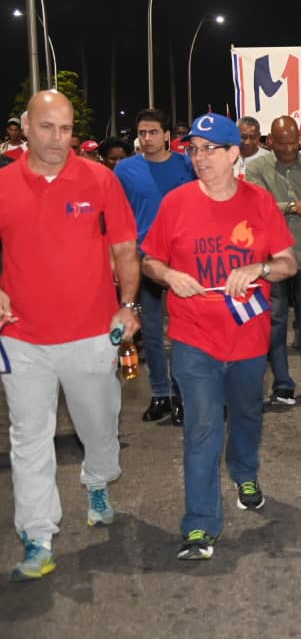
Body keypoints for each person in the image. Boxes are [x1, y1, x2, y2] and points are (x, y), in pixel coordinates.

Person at [142, 113, 297, 561]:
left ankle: (245, 470)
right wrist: (169, 275)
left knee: (246, 416)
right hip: (194, 338)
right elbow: (149, 259)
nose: (200, 157)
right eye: (194, 149)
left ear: (235, 154)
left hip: (249, 338)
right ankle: (199, 526)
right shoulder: (176, 203)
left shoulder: (260, 202)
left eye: (210, 149)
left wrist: (260, 267)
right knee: (202, 427)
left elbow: (287, 261)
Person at [0, 90, 140, 581]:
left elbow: (125, 247)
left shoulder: (100, 179)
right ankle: (38, 536)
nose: (57, 139)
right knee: (28, 437)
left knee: (99, 425)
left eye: (65, 129)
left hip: (91, 333)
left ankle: (97, 480)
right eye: (46, 128)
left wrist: (127, 305)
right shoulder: (3, 184)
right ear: (25, 127)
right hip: (21, 338)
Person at [114, 108, 196, 425]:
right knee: (149, 333)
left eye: (152, 132)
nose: (146, 138)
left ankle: (183, 394)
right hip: (141, 261)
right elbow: (118, 217)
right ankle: (161, 393)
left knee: (182, 332)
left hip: (181, 260)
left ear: (166, 136)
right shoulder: (125, 170)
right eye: (142, 133)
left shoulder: (186, 166)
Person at [245, 116, 301, 406]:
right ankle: (283, 381)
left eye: (293, 143)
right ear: (270, 142)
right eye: (281, 144)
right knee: (276, 319)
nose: (288, 149)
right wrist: (293, 207)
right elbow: (257, 206)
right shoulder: (256, 169)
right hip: (271, 257)